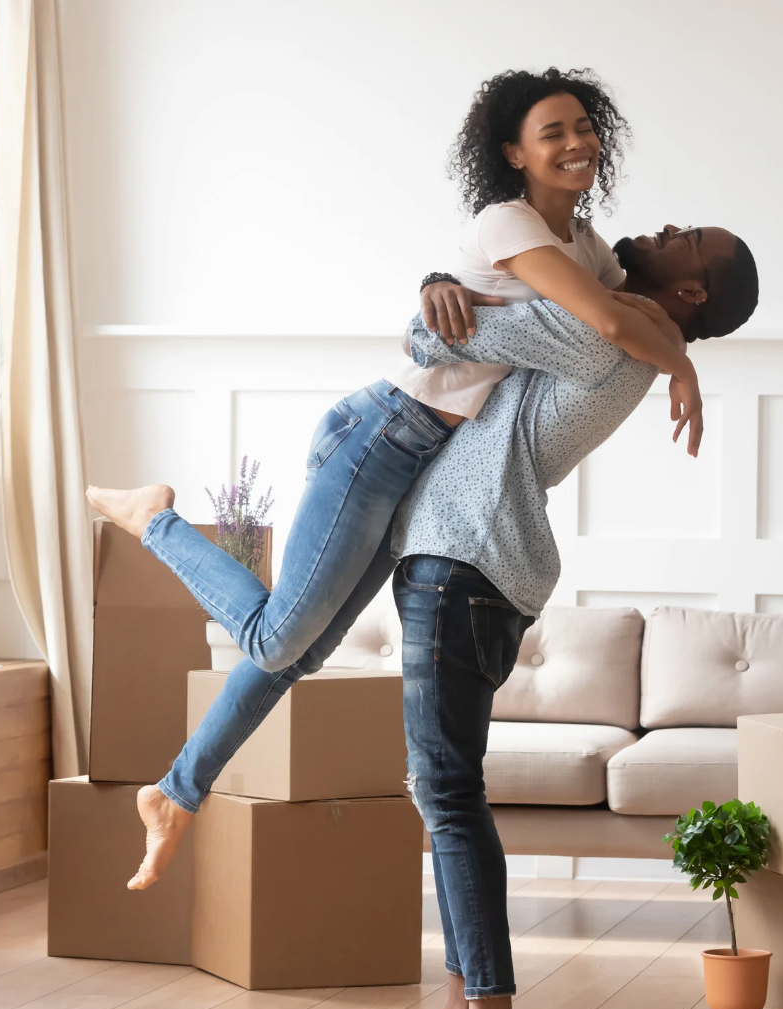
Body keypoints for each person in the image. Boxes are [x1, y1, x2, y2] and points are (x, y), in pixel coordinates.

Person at [87, 67, 713, 889]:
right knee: (278, 638)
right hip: (384, 435)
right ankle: (154, 518)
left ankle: (176, 793)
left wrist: (657, 338)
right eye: (552, 132)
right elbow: (600, 326)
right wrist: (682, 367)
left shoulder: (588, 248)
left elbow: (613, 310)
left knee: (295, 657)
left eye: (583, 127)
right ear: (514, 154)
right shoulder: (507, 221)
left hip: (422, 468)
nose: (575, 143)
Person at [379, 265, 758, 1009]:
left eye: (680, 238)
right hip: (469, 560)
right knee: (440, 788)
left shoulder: (605, 330)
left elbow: (437, 336)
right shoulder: (622, 329)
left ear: (690, 289)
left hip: (464, 561)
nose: (657, 232)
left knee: (447, 793)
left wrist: (440, 294)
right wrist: (443, 279)